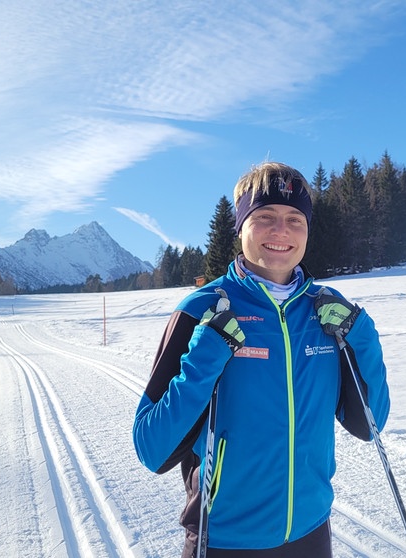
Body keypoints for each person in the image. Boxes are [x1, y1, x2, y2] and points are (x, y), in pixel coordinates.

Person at [132, 161, 391, 557]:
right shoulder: (202, 309)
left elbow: (370, 425)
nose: (280, 231)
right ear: (240, 226)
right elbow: (152, 447)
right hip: (222, 541)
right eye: (265, 216)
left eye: (295, 219)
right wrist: (205, 358)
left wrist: (363, 336)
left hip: (310, 535)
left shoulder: (327, 312)